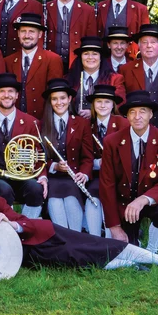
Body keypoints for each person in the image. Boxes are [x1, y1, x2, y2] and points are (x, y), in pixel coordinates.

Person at [0, 165, 158, 275]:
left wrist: (10, 223)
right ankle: (130, 266)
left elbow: (23, 220)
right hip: (24, 254)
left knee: (90, 243)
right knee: (75, 257)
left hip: (39, 232)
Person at [100, 90, 158, 254]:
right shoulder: (111, 142)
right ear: (127, 117)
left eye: (142, 111)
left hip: (150, 202)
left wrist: (143, 200)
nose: (137, 116)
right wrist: (114, 227)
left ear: (151, 114)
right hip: (124, 204)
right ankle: (136, 240)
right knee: (129, 251)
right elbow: (107, 185)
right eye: (132, 112)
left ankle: (152, 249)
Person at [0, 73, 46, 219]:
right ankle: (6, 229)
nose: (6, 95)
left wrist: (43, 177)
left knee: (35, 188)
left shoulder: (31, 122)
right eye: (2, 91)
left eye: (10, 91)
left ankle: (26, 225)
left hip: (22, 175)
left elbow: (39, 155)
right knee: (3, 188)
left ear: (16, 95)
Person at [40, 78, 93, 232]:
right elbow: (39, 159)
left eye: (63, 98)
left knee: (71, 202)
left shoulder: (82, 124)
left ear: (70, 99)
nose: (59, 102)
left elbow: (87, 157)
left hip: (74, 178)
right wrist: (54, 166)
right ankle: (64, 243)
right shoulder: (41, 125)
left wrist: (84, 173)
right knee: (56, 205)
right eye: (54, 99)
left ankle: (75, 239)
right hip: (53, 178)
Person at [84, 85, 127, 237]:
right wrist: (98, 163)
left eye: (107, 102)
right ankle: (95, 238)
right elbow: (86, 156)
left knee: (112, 192)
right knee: (93, 193)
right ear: (93, 105)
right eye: (99, 102)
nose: (102, 105)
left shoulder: (123, 124)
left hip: (120, 176)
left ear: (113, 105)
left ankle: (112, 238)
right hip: (98, 174)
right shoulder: (87, 126)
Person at [3, 13, 63, 119]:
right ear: (18, 33)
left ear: (40, 34)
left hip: (42, 120)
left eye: (31, 31)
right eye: (23, 31)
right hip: (15, 121)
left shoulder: (52, 59)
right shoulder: (9, 61)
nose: (27, 36)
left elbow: (55, 95)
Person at [44, 0, 97, 72]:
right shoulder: (45, 9)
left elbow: (92, 41)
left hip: (77, 65)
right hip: (50, 64)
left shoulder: (87, 11)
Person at [119, 24, 158, 132]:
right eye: (144, 42)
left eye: (153, 42)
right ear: (139, 46)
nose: (149, 46)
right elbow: (122, 100)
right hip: (135, 129)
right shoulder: (126, 70)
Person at [66, 36, 126, 117]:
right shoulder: (69, 79)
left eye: (95, 54)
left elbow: (120, 105)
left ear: (100, 58)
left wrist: (95, 113)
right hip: (76, 126)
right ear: (80, 57)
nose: (90, 57)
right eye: (86, 54)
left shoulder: (115, 79)